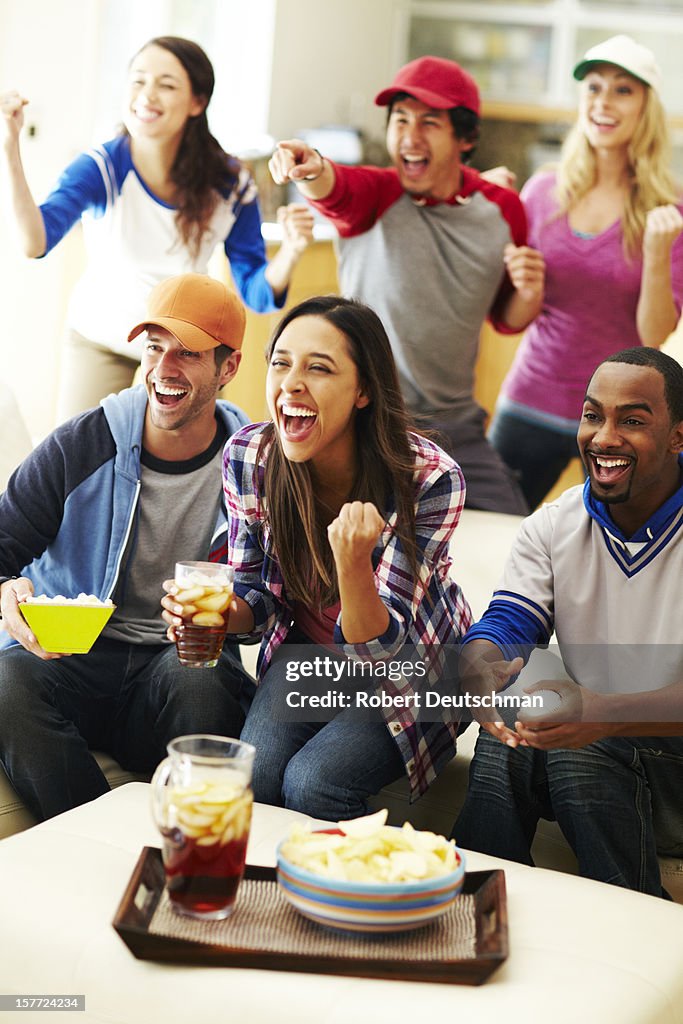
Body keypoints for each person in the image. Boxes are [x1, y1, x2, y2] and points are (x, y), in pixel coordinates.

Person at [164, 295, 473, 820]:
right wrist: (216, 613)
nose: (290, 383)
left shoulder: (427, 477)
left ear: (364, 390)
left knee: (314, 784)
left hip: (414, 669)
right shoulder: (249, 456)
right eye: (281, 362)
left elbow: (383, 655)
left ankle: (349, 897)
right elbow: (255, 599)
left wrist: (353, 564)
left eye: (319, 368)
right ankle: (263, 902)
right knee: (254, 783)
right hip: (309, 656)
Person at [0, 273, 255, 822]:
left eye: (187, 353)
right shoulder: (82, 443)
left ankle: (193, 842)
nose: (164, 369)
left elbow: (269, 593)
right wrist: (5, 592)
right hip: (73, 660)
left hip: (176, 665)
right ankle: (96, 833)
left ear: (228, 368)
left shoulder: (253, 467)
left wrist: (233, 614)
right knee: (4, 682)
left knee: (205, 677)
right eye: (155, 349)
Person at [268, 55, 545, 515]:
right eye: (401, 120)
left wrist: (530, 295)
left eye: (429, 122)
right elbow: (334, 187)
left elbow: (503, 315)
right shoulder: (376, 194)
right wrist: (310, 165)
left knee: (513, 539)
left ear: (465, 137)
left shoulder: (503, 210)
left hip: (456, 428)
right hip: (367, 426)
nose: (410, 137)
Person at [454, 347, 683, 897]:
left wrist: (604, 716)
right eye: (592, 415)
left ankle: (640, 923)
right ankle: (472, 908)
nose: (604, 436)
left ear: (678, 435)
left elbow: (600, 722)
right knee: (513, 730)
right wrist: (479, 669)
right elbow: (509, 621)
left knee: (582, 743)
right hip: (607, 758)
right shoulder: (554, 525)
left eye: (632, 420)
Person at [0, 35, 314, 421]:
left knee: (186, 467)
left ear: (197, 102)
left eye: (166, 85)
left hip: (188, 347)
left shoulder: (230, 182)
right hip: (102, 338)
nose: (147, 95)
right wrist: (9, 146)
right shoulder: (102, 167)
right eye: (138, 81)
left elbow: (256, 292)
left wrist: (293, 252)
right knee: (79, 465)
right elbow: (35, 242)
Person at [489, 36, 683, 509]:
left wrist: (657, 254)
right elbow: (514, 317)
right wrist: (525, 285)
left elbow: (654, 334)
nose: (603, 101)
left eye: (622, 90)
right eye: (594, 87)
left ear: (645, 107)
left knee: (620, 550)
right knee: (483, 526)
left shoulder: (668, 213)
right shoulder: (543, 193)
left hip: (619, 420)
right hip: (531, 398)